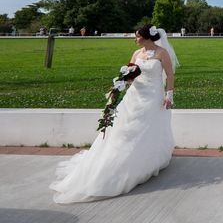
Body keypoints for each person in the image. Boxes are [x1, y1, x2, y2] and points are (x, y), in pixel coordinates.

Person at [50, 24, 178, 203]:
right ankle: (121, 160)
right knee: (126, 129)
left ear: (147, 37)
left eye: (137, 36)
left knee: (148, 128)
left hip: (153, 96)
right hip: (135, 96)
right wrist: (120, 86)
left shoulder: (161, 53)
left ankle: (147, 161)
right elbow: (130, 75)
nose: (135, 39)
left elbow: (170, 75)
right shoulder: (137, 54)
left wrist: (169, 95)